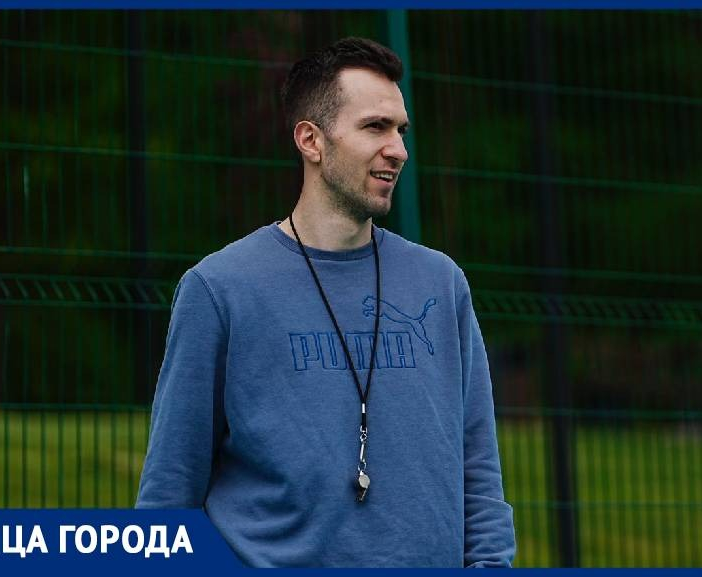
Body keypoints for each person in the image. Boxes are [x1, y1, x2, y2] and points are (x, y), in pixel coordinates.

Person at [136, 36, 516, 568]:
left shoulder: (441, 284)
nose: (398, 150)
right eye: (375, 127)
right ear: (310, 140)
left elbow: (479, 471)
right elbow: (170, 491)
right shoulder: (220, 288)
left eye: (400, 130)